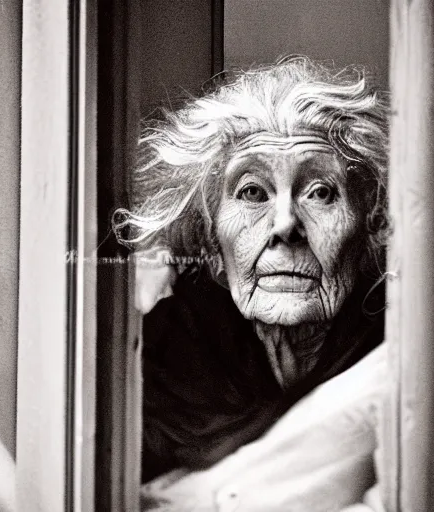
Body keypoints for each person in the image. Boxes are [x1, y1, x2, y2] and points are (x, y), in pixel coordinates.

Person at [116, 56, 389, 510]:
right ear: (209, 239)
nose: (285, 225)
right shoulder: (146, 370)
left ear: (371, 226)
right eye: (252, 192)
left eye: (320, 192)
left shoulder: (409, 361)